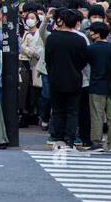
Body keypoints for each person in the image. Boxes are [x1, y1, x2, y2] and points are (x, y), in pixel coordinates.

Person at [45, 9, 89, 151]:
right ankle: (70, 140)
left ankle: (58, 139)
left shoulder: (52, 38)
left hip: (56, 78)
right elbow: (83, 61)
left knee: (57, 111)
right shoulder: (80, 40)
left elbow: (48, 59)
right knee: (72, 111)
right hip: (75, 79)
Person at [87, 21, 110, 153]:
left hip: (96, 85)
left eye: (92, 32)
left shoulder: (91, 49)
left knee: (97, 115)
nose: (90, 34)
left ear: (97, 34)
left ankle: (97, 142)